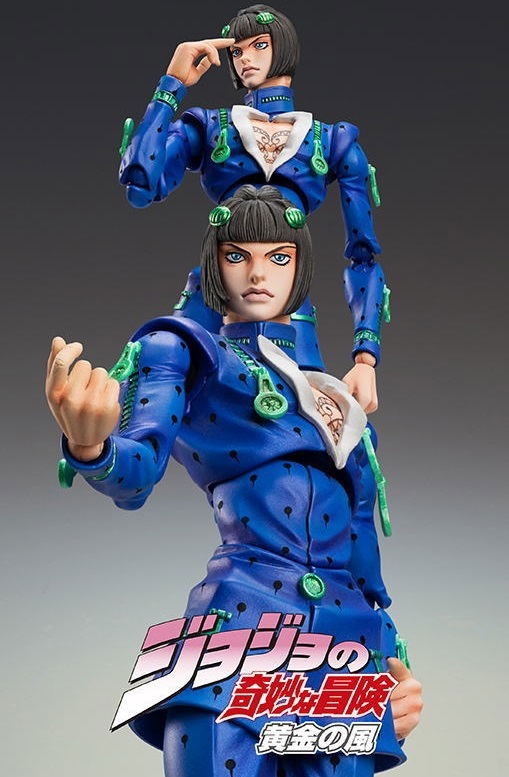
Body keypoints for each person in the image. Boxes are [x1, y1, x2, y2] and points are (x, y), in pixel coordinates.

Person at [46, 187, 422, 775]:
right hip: (239, 630)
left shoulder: (340, 403)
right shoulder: (190, 354)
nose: (257, 274)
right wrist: (90, 447)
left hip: (342, 647)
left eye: (278, 257)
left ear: (300, 267)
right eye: (236, 254)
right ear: (214, 264)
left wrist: (391, 662)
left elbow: (362, 561)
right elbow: (136, 471)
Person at [119, 4, 389, 412]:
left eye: (258, 45)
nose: (245, 58)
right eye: (236, 51)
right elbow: (141, 185)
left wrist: (365, 359)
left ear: (284, 48)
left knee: (316, 425)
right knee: (157, 385)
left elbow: (363, 256)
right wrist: (171, 85)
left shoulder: (330, 141)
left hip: (285, 301)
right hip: (214, 290)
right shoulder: (212, 127)